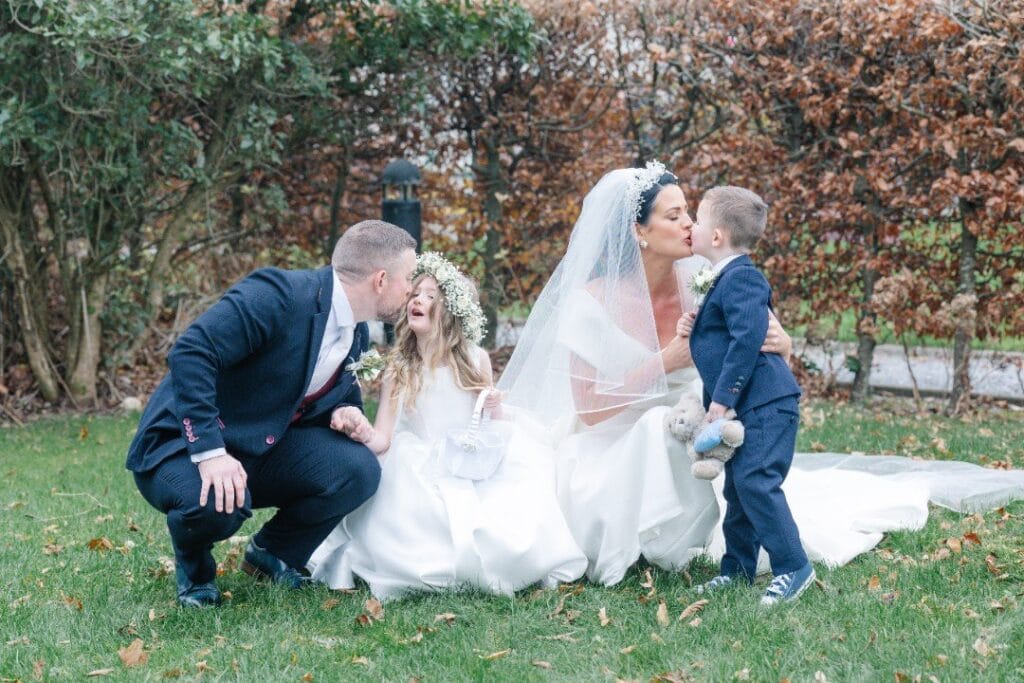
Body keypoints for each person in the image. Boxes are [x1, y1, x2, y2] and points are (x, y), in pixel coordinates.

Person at [497, 161, 1024, 588]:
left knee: (722, 462)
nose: (689, 226)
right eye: (675, 215)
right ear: (638, 231)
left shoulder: (703, 276)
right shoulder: (591, 303)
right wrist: (666, 362)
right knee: (654, 432)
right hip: (612, 442)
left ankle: (748, 552)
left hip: (704, 422)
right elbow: (589, 410)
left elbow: (758, 336)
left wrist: (785, 342)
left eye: (690, 214)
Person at [126, 220, 417, 607]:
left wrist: (347, 410)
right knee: (216, 503)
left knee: (358, 469)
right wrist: (211, 454)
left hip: (258, 447)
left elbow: (319, 389)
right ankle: (195, 574)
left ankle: (273, 554)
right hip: (179, 446)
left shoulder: (356, 332)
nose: (412, 290)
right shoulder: (278, 295)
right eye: (409, 279)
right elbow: (192, 352)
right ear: (381, 280)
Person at [307, 253, 587, 600]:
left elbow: (489, 426)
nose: (418, 301)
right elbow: (383, 439)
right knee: (419, 511)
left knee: (508, 513)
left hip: (470, 457)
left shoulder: (474, 360)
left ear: (451, 312)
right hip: (420, 462)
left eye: (431, 297)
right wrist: (361, 429)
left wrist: (495, 407)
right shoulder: (400, 368)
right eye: (416, 293)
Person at [687, 185, 812, 605]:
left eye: (698, 219)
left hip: (768, 403)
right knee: (738, 489)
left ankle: (794, 567)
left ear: (717, 236)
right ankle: (738, 569)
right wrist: (698, 325)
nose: (691, 225)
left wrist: (720, 401)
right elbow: (725, 334)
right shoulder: (725, 279)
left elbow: (746, 341)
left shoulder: (743, 278)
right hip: (753, 404)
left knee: (758, 483)